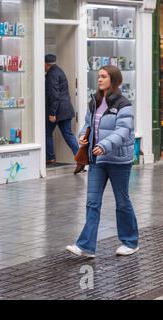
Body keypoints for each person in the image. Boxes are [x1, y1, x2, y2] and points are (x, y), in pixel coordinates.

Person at [66, 65, 139, 258]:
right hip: (97, 160)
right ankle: (86, 246)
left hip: (118, 161)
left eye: (104, 77)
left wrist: (105, 145)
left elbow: (123, 131)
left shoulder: (124, 104)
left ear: (113, 80)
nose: (99, 80)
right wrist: (82, 137)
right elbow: (88, 125)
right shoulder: (95, 101)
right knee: (92, 202)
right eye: (98, 76)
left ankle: (130, 242)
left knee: (122, 201)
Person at [45, 53, 79, 165]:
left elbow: (54, 95)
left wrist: (52, 113)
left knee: (48, 133)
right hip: (65, 109)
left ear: (46, 64)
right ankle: (80, 158)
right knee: (68, 135)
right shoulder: (59, 71)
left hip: (58, 111)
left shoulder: (52, 74)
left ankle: (50, 157)